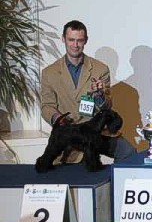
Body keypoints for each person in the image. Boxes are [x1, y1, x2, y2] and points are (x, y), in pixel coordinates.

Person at [41, 20, 136, 162]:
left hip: (96, 131)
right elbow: (46, 105)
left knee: (129, 153)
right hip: (69, 133)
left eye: (80, 40)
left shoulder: (100, 69)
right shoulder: (49, 72)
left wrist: (99, 95)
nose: (75, 45)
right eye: (71, 40)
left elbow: (107, 107)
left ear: (86, 40)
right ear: (63, 39)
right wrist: (56, 118)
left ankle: (115, 181)